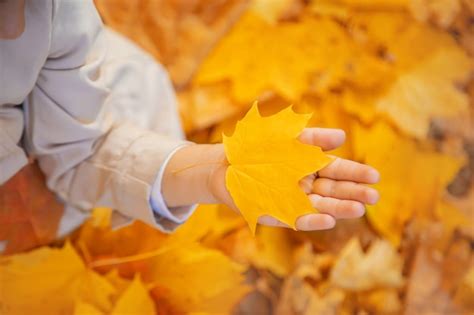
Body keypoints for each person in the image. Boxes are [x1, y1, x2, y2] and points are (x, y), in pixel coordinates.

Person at [0, 0, 380, 247]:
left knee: (139, 85)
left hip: (44, 128)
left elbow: (84, 148)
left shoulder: (46, 12)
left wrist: (206, 172)